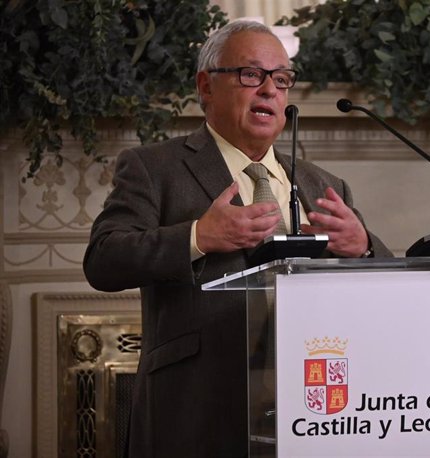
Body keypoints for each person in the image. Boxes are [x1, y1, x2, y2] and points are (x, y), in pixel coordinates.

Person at [83, 20, 392, 458]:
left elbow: (391, 286)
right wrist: (197, 236)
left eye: (281, 79)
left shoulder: (325, 184)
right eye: (252, 75)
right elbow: (102, 260)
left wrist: (362, 247)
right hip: (195, 406)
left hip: (312, 408)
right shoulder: (154, 168)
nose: (269, 90)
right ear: (206, 86)